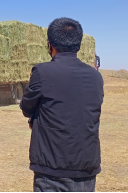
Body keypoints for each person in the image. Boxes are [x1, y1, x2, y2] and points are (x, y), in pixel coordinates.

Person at [20, 17, 104, 192]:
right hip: (87, 168)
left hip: (53, 169)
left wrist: (34, 118)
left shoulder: (42, 72)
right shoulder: (96, 76)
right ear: (79, 46)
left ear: (50, 45)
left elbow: (26, 107)